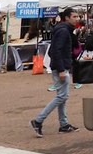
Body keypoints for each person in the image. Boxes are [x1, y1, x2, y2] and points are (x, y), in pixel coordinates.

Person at [30, 7, 78, 137]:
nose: (77, 19)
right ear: (67, 17)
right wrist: (61, 69)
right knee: (62, 96)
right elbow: (56, 50)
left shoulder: (64, 30)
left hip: (61, 66)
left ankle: (63, 124)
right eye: (74, 16)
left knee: (62, 96)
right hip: (61, 67)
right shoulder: (63, 31)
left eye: (77, 16)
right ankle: (38, 120)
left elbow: (55, 50)